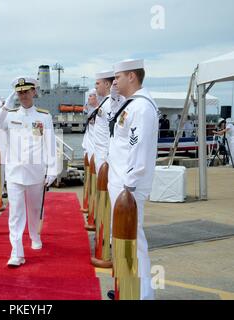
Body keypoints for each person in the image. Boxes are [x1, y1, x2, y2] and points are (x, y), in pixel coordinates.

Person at [0, 76, 57, 267]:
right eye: (20, 92)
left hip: (36, 172)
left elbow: (50, 144)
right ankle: (16, 252)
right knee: (16, 214)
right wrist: (4, 106)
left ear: (34, 92)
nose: (23, 95)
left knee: (35, 210)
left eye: (27, 91)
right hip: (14, 172)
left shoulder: (44, 116)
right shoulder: (9, 115)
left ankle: (35, 235)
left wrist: (52, 170)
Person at [107, 59, 158, 300]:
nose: (114, 81)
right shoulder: (131, 105)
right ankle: (127, 288)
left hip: (129, 188)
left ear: (132, 77)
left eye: (118, 77)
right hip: (120, 184)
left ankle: (143, 295)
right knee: (122, 241)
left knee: (135, 242)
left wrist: (129, 185)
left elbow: (139, 149)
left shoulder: (142, 107)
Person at [93, 70, 115, 174]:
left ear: (107, 84)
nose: (95, 86)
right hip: (100, 152)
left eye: (98, 83)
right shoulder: (105, 102)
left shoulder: (111, 103)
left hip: (105, 155)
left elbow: (112, 132)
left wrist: (107, 157)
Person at [81, 89, 98, 161]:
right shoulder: (91, 112)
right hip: (88, 150)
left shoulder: (98, 112)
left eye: (90, 96)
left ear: (96, 97)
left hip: (94, 151)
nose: (88, 98)